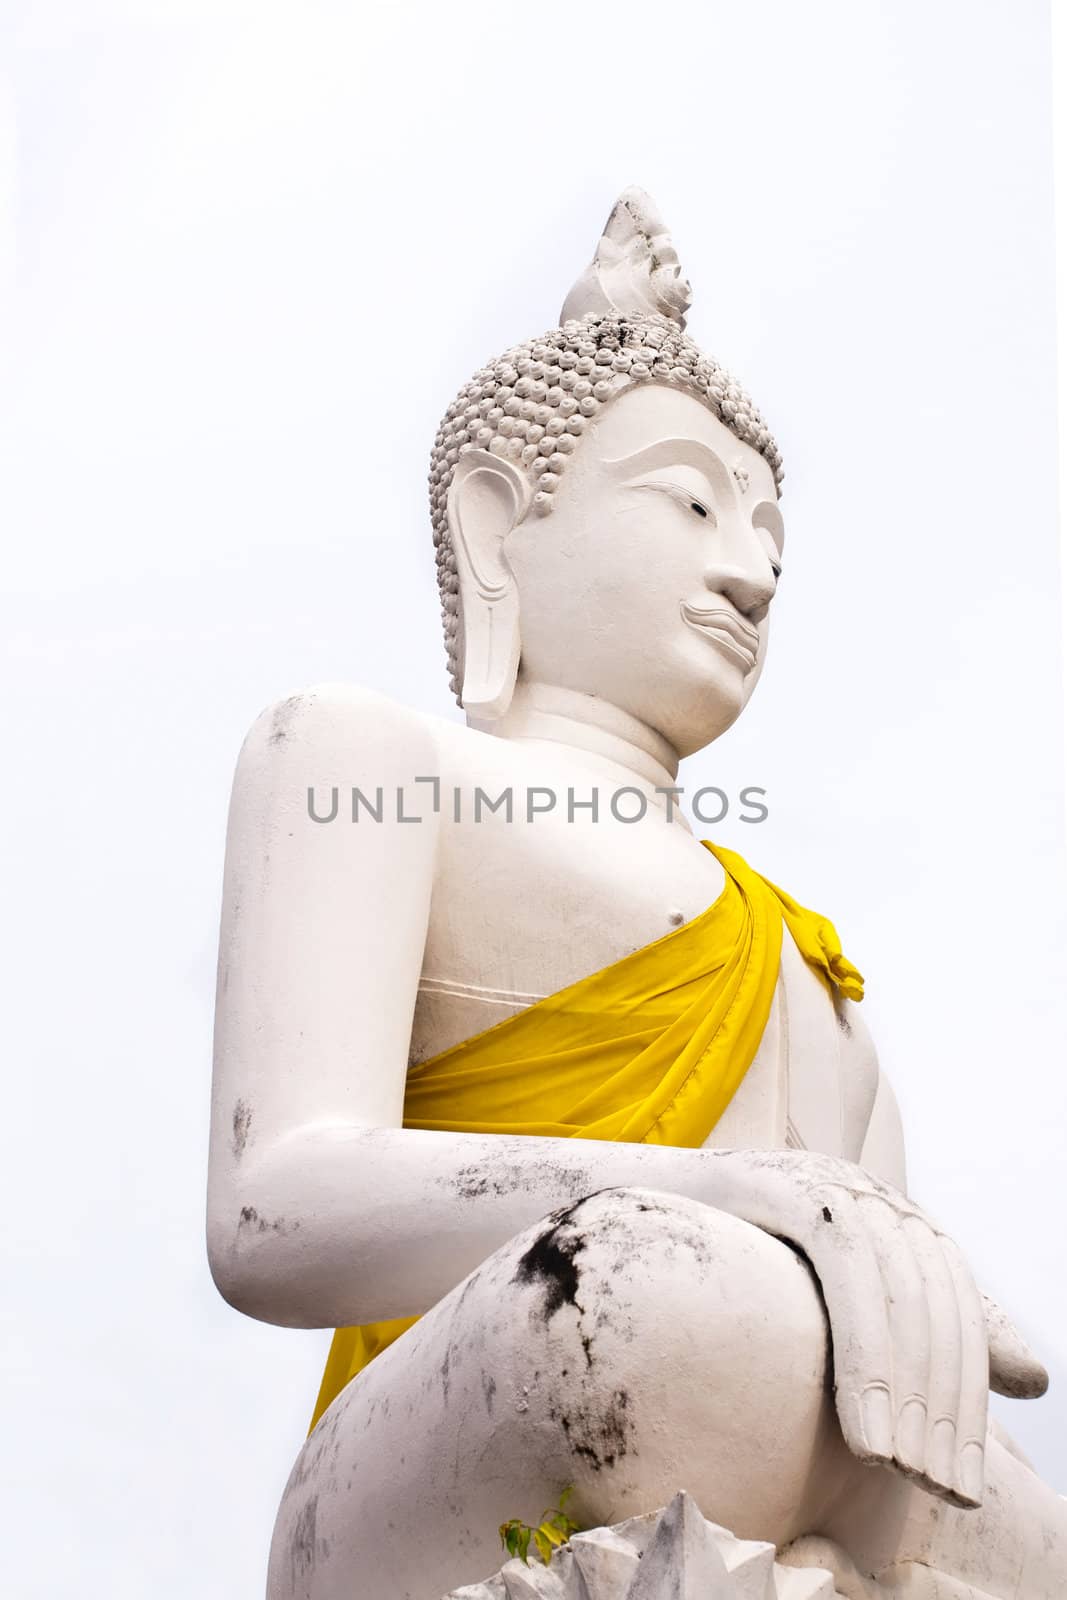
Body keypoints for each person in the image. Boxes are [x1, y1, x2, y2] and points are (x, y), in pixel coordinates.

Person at [207, 190, 1065, 1599]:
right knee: (639, 1292)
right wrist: (727, 1192)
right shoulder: (367, 758)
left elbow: (885, 1348)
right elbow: (272, 1205)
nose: (753, 570)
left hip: (791, 1426)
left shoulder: (808, 963)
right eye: (689, 501)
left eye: (772, 532)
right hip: (506, 1405)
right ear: (500, 531)